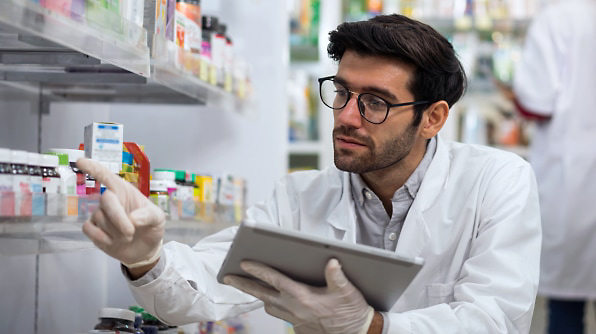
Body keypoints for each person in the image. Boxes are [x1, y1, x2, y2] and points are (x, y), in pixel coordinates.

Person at [77, 14, 541, 333]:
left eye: (375, 102)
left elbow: (495, 318)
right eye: (342, 92)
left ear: (433, 118)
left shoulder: (497, 181)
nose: (347, 117)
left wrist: (371, 327)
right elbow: (202, 290)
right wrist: (146, 259)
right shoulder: (301, 197)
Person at [510, 1, 596, 333]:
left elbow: (536, 102)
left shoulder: (559, 17)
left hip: (573, 172)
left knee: (566, 306)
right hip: (575, 171)